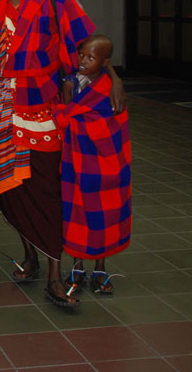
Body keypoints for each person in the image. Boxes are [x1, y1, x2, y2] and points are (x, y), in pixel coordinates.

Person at [0, 0, 123, 310]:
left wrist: (114, 77)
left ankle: (54, 273)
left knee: (46, 188)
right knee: (8, 188)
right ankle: (32, 256)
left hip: (42, 107)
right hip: (0, 105)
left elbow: (89, 43)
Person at [54, 35, 131, 295]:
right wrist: (67, 116)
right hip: (76, 160)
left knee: (103, 214)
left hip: (104, 163)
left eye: (91, 57)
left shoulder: (110, 87)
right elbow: (65, 113)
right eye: (81, 55)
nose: (83, 61)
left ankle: (101, 267)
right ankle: (77, 266)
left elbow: (112, 125)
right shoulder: (70, 82)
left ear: (105, 62)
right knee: (76, 211)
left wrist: (69, 118)